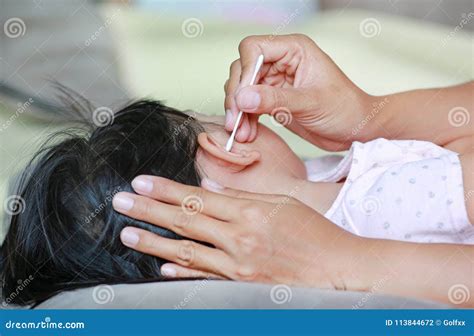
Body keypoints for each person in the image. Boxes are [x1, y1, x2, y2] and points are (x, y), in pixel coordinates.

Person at [112, 34, 474, 307]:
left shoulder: (326, 184)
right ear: (227, 150)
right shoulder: (386, 195)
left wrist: (371, 117)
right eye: (211, 119)